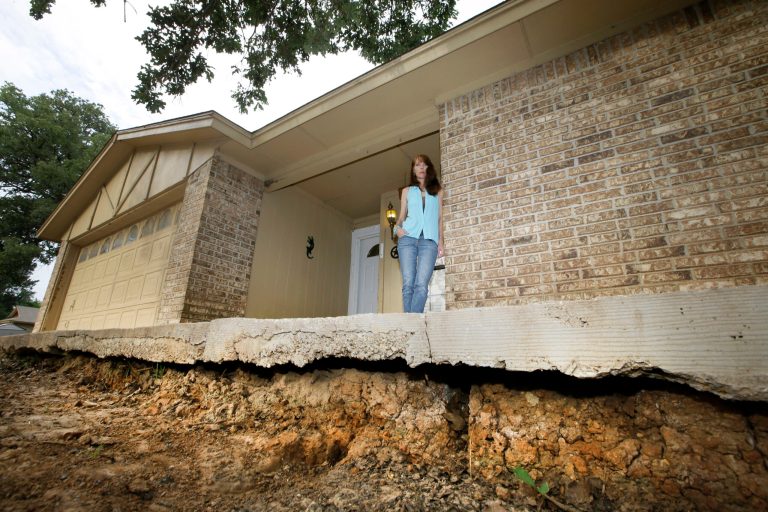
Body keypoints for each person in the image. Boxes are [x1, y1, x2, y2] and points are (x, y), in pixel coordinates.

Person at [393, 154, 444, 313]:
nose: (421, 167)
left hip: (429, 241)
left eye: (423, 165)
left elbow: (440, 218)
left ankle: (412, 324)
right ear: (413, 170)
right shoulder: (407, 191)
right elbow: (401, 216)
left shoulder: (438, 191)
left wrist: (441, 242)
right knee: (408, 284)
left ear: (429, 168)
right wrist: (397, 229)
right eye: (417, 165)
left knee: (421, 285)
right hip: (407, 238)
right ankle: (412, 325)